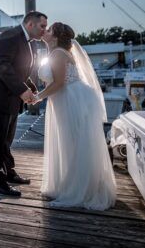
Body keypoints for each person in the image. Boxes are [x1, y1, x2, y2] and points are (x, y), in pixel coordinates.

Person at [34, 22, 116, 210]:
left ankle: (78, 188)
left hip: (70, 99)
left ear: (54, 37)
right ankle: (74, 183)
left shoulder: (57, 54)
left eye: (48, 30)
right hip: (68, 99)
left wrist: (38, 97)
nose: (44, 32)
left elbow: (60, 83)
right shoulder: (56, 53)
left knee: (72, 143)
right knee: (73, 142)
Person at [0, 11, 48, 196]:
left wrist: (30, 88)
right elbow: (3, 65)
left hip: (10, 100)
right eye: (42, 26)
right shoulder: (9, 36)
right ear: (30, 24)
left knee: (6, 141)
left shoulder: (29, 42)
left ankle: (8, 173)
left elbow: (22, 71)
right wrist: (22, 91)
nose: (44, 30)